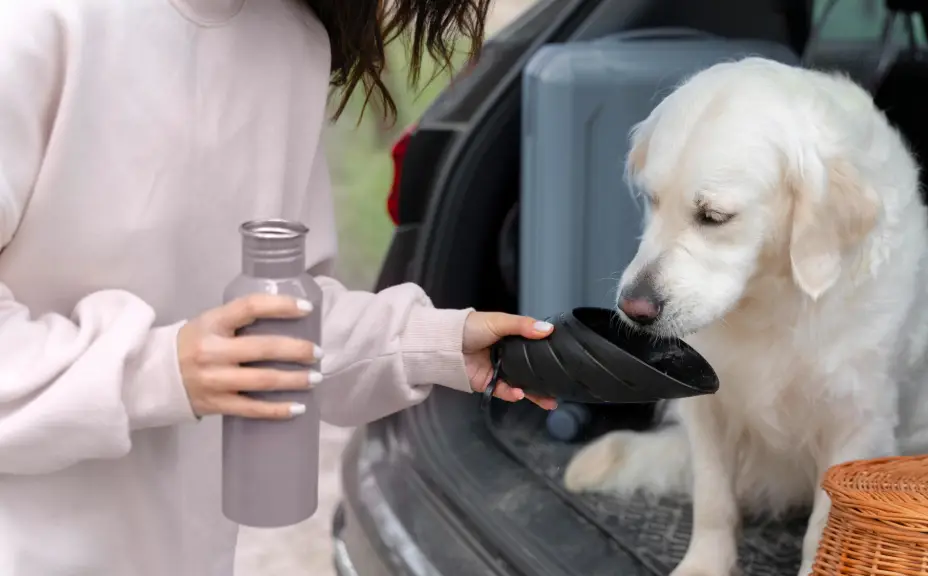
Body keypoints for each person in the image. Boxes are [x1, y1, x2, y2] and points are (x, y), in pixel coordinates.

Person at [0, 1, 555, 575]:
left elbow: (280, 312)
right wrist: (161, 370)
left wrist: (434, 341)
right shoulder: (35, 23)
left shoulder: (291, 44)